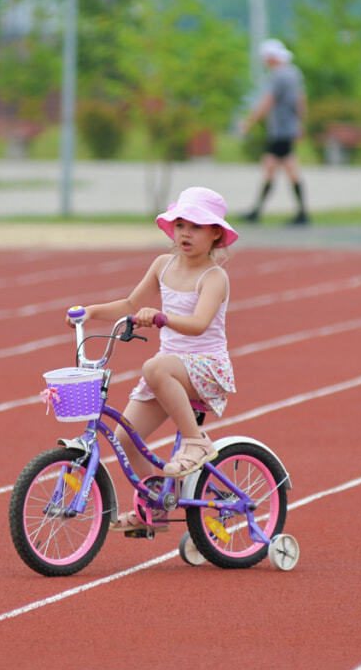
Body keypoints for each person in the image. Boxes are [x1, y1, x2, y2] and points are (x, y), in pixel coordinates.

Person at [69, 186, 239, 533]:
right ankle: (157, 505)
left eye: (196, 226)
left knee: (153, 366)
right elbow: (132, 305)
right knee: (125, 438)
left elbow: (198, 325)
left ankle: (197, 443)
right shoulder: (163, 265)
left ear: (216, 234)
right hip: (169, 368)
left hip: (206, 366)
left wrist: (163, 318)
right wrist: (91, 311)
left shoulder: (214, 277)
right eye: (180, 225)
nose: (185, 233)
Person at [238, 38, 310, 225]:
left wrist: (249, 122)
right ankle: (262, 210)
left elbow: (267, 101)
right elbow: (301, 100)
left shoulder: (278, 76)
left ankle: (260, 211)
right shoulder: (294, 73)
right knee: (280, 167)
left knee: (277, 167)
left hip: (280, 130)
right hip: (287, 128)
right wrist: (300, 124)